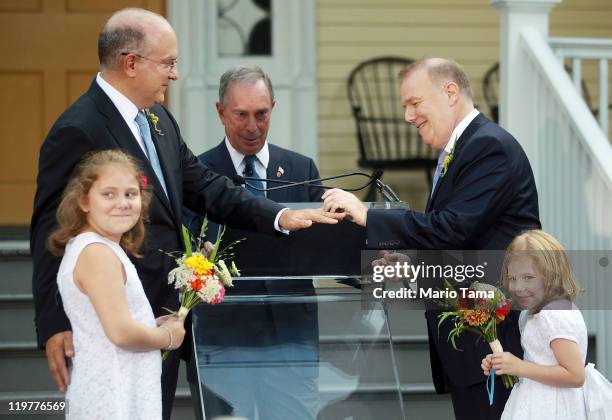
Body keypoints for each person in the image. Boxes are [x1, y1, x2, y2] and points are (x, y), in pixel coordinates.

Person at [30, 8, 340, 420]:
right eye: (169, 63)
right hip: (115, 321)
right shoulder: (79, 128)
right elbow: (49, 229)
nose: (175, 74)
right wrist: (53, 322)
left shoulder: (159, 120)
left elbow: (208, 188)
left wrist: (281, 215)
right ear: (131, 63)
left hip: (167, 314)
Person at [322, 57, 541, 420]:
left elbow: (452, 228)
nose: (408, 116)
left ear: (450, 92)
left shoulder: (490, 147)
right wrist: (408, 264)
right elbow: (462, 242)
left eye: (414, 103)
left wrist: (368, 214)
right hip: (469, 345)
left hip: (495, 344)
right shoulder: (462, 150)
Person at [186, 64, 322, 420]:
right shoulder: (197, 174)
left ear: (273, 108)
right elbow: (185, 254)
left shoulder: (300, 169)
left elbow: (326, 246)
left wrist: (367, 267)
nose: (252, 126)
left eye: (261, 114)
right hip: (222, 338)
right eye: (241, 115)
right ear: (220, 112)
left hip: (291, 336)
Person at [49, 149, 185, 420]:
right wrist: (169, 337)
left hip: (121, 389)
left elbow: (111, 321)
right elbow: (121, 333)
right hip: (113, 398)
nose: (122, 203)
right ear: (84, 201)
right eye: (108, 194)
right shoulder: (97, 254)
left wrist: (151, 324)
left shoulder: (100, 247)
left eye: (130, 194)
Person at [481, 230, 587, 419]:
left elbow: (575, 375)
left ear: (552, 275)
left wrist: (519, 367)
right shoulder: (531, 313)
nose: (518, 287)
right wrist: (504, 363)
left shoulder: (555, 315)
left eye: (528, 278)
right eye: (513, 278)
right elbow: (539, 359)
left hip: (554, 408)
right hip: (534, 401)